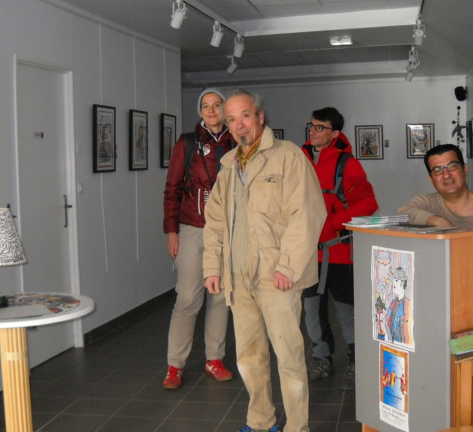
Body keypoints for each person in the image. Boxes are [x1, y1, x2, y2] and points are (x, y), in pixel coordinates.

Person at [203, 89, 326, 432]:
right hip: (238, 278)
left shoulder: (288, 157)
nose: (239, 125)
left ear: (259, 116)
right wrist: (212, 267)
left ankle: (297, 427)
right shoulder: (229, 166)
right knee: (249, 357)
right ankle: (260, 421)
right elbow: (215, 222)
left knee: (288, 357)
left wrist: (288, 266)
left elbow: (307, 215)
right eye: (231, 119)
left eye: (245, 115)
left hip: (277, 278)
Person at [162, 88, 235, 389]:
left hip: (228, 230)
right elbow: (172, 188)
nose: (211, 110)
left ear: (225, 109)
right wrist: (172, 230)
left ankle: (214, 358)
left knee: (219, 297)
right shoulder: (187, 143)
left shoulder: (237, 142)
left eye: (217, 105)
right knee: (188, 297)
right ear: (200, 111)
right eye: (206, 106)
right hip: (193, 227)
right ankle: (174, 365)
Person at [301, 107, 378, 389]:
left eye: (320, 127)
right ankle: (321, 357)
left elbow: (369, 204)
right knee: (312, 310)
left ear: (335, 133)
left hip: (339, 251)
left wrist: (332, 223)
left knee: (347, 311)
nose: (313, 131)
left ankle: (357, 360)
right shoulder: (299, 159)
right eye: (312, 126)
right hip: (307, 253)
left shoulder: (348, 164)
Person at [397, 143, 473, 234]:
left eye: (452, 166)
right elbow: (403, 212)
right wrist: (437, 221)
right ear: (431, 179)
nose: (446, 175)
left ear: (465, 170)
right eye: (437, 170)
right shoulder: (428, 202)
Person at [385, 267, 411, 344]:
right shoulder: (393, 303)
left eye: (396, 280)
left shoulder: (408, 305)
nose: (394, 283)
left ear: (403, 283)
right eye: (394, 280)